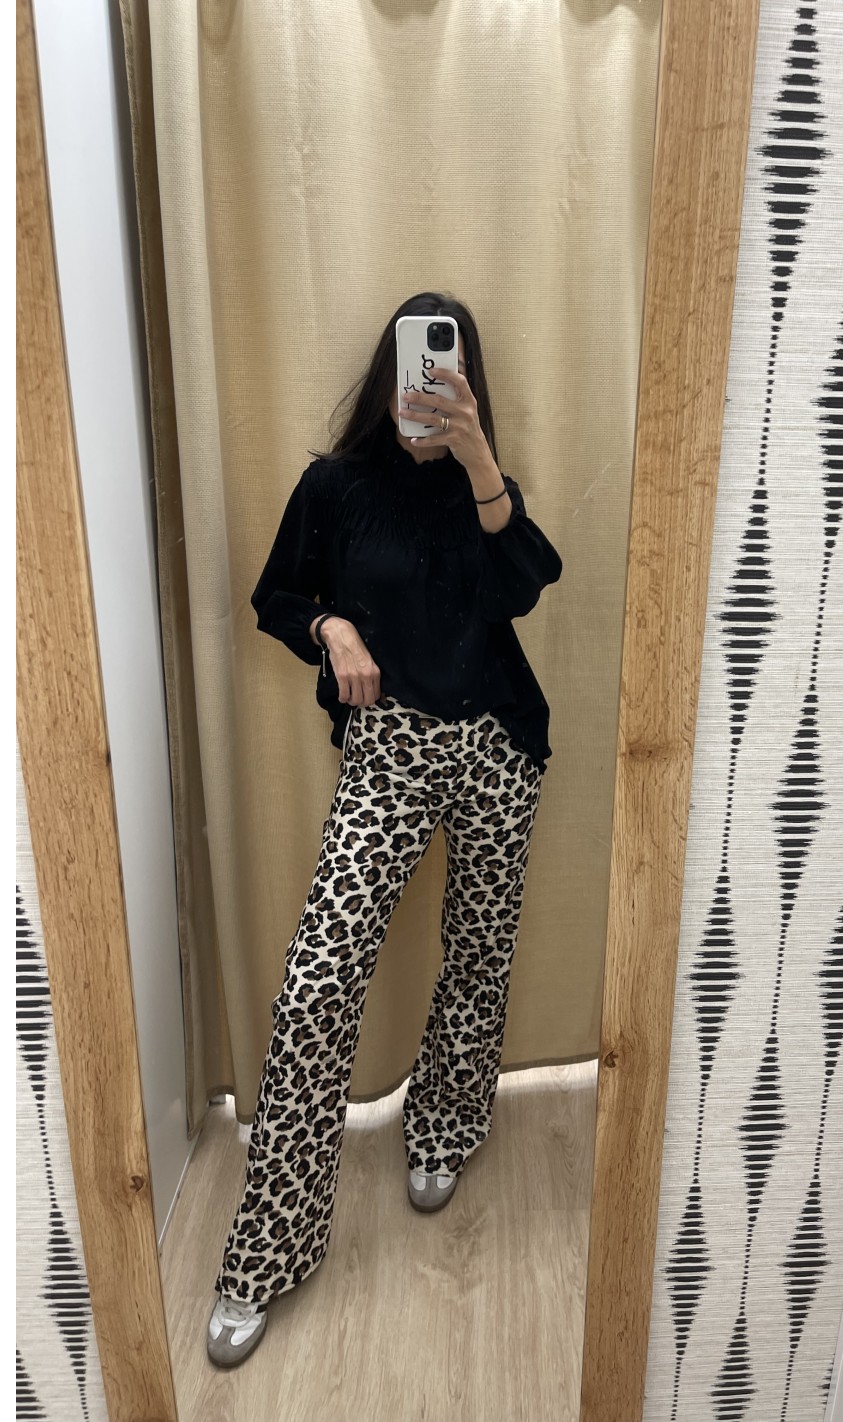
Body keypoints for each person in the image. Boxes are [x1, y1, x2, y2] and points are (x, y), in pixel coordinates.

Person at [206, 292, 562, 1367]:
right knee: (319, 982)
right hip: (391, 752)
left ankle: (446, 1127)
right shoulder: (336, 486)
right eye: (418, 365)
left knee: (479, 953)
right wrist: (334, 626)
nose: (432, 383)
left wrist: (480, 460)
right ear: (389, 371)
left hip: (497, 742)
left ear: (469, 381)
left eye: (452, 369)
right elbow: (276, 595)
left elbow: (525, 586)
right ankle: (269, 1246)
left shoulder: (484, 491)